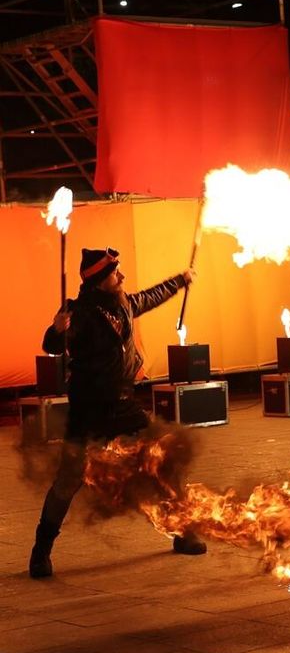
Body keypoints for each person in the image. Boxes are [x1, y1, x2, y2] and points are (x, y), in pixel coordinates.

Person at [29, 247, 206, 579]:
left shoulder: (123, 304)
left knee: (163, 460)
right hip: (89, 411)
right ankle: (41, 552)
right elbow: (52, 346)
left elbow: (150, 297)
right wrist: (56, 329)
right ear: (98, 281)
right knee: (67, 483)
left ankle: (182, 532)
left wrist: (180, 281)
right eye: (114, 273)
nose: (121, 277)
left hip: (124, 406)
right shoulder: (78, 313)